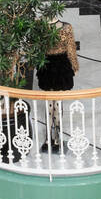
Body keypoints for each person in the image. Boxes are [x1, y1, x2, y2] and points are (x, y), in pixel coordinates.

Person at [35, 21, 79, 153]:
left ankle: (51, 138)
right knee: (56, 103)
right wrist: (75, 66)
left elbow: (38, 48)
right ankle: (55, 138)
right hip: (59, 66)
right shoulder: (66, 27)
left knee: (51, 103)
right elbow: (70, 48)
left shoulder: (40, 27)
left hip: (48, 65)